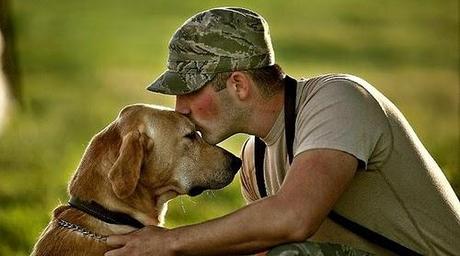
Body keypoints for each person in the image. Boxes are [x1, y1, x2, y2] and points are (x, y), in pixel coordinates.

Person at [105, 7, 460, 256]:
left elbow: (294, 218)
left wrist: (167, 243)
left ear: (239, 84)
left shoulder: (339, 100)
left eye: (190, 91)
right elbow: (264, 239)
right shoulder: (253, 160)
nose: (179, 107)